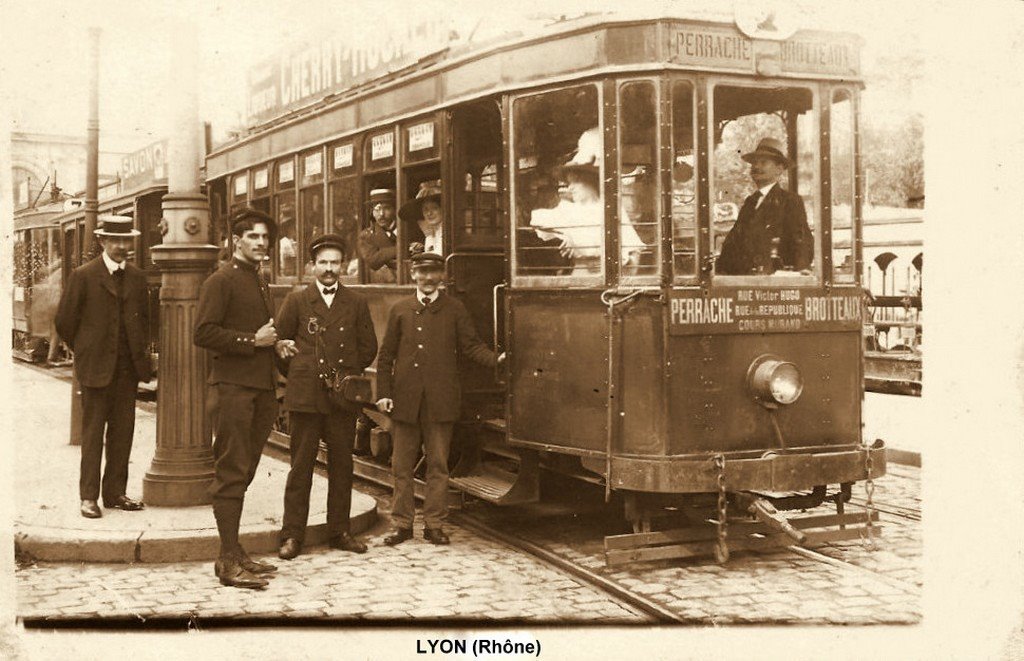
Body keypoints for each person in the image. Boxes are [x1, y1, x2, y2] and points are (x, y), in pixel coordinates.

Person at [375, 252, 504, 545]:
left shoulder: (454, 309)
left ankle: (434, 524)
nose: (428, 278)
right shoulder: (401, 310)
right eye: (422, 272)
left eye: (434, 272)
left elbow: (472, 347)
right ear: (413, 275)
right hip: (405, 401)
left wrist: (498, 360)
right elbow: (385, 358)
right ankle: (402, 525)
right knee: (402, 466)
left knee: (438, 466)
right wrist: (383, 394)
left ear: (442, 277)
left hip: (441, 401)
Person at [275, 234, 378, 560]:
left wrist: (344, 375)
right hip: (305, 397)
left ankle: (340, 531)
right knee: (301, 467)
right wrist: (301, 372)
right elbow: (280, 345)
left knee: (342, 466)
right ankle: (292, 535)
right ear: (312, 266)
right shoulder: (297, 300)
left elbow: (368, 347)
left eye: (335, 263)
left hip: (341, 400)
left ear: (344, 266)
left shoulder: (356, 302)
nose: (330, 269)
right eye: (324, 263)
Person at [194, 207, 280, 590]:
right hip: (232, 389)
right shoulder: (221, 280)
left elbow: (259, 332)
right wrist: (252, 341)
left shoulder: (258, 280)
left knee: (243, 470)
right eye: (254, 237)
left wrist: (278, 344)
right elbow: (204, 333)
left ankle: (234, 550)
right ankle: (227, 560)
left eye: (265, 238)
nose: (261, 243)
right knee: (231, 470)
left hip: (259, 388)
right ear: (236, 240)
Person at [55, 214, 152, 519]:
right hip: (95, 369)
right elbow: (64, 322)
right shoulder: (83, 276)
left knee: (123, 433)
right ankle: (88, 497)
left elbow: (146, 321)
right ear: (102, 241)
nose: (122, 246)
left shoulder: (137, 278)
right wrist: (85, 350)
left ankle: (115, 493)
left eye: (126, 241)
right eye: (115, 241)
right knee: (93, 434)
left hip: (126, 370)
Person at [529, 127, 643, 274]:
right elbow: (535, 222)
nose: (570, 188)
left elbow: (634, 249)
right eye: (569, 183)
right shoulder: (568, 210)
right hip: (580, 274)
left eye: (576, 181)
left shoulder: (612, 209)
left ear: (591, 181)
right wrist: (563, 235)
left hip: (610, 275)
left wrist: (626, 272)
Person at [715, 137, 814, 275]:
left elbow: (801, 242)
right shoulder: (751, 202)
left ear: (779, 169)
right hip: (743, 281)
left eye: (763, 162)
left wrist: (800, 272)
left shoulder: (790, 201)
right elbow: (733, 243)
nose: (756, 167)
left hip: (771, 284)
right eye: (754, 163)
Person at [357, 188, 398, 282]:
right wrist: (401, 248)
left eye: (386, 208)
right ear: (372, 212)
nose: (381, 214)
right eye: (377, 209)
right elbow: (373, 260)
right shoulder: (366, 236)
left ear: (394, 209)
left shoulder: (407, 231)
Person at [399, 180, 443, 256]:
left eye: (434, 208)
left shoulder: (448, 230)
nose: (429, 213)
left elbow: (436, 256)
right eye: (426, 209)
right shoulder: (433, 231)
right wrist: (428, 236)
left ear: (443, 209)